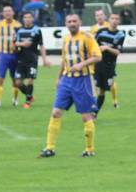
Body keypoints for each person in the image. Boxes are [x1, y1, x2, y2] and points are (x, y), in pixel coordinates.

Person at [38, 13, 101, 158]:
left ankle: (89, 149)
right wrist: (59, 78)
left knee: (86, 116)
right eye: (69, 21)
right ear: (66, 24)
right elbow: (64, 60)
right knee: (55, 112)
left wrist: (81, 65)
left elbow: (98, 56)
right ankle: (50, 148)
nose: (72, 23)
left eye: (74, 21)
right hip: (66, 80)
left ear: (80, 22)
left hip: (83, 80)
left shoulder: (87, 37)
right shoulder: (66, 39)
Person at [14, 11, 51, 108]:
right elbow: (15, 43)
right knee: (18, 82)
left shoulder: (37, 30)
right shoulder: (19, 30)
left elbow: (41, 45)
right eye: (25, 17)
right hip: (21, 59)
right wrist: (22, 44)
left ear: (32, 19)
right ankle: (30, 96)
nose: (27, 19)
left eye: (29, 17)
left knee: (30, 80)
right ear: (23, 19)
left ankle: (27, 102)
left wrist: (45, 60)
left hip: (32, 59)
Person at [94, 12, 126, 112]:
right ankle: (93, 111)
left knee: (102, 91)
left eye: (117, 19)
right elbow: (93, 46)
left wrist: (107, 48)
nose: (114, 21)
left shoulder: (120, 35)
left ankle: (95, 111)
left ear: (119, 21)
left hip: (109, 66)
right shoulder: (101, 32)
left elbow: (117, 52)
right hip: (98, 63)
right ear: (109, 20)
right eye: (112, 18)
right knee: (94, 87)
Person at [0, 5, 22, 107]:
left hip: (15, 55)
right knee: (0, 78)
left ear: (13, 12)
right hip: (3, 55)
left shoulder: (18, 25)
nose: (8, 13)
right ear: (3, 14)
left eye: (9, 11)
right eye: (5, 11)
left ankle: (15, 99)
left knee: (15, 79)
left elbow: (22, 39)